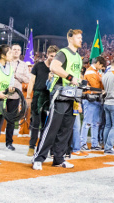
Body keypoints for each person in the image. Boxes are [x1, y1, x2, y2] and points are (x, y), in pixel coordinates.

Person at [32, 29, 83, 170]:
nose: (81, 40)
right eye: (78, 37)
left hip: (72, 97)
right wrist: (70, 78)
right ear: (70, 38)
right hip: (60, 94)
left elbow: (78, 77)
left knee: (66, 129)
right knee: (52, 128)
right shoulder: (63, 53)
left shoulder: (78, 57)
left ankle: (59, 159)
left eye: (81, 37)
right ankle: (38, 158)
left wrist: (78, 99)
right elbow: (54, 67)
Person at [26, 45, 58, 156]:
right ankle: (31, 146)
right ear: (47, 55)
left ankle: (43, 147)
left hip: (49, 97)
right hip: (38, 96)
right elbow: (31, 81)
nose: (53, 58)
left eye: (55, 56)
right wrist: (28, 96)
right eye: (51, 56)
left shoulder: (57, 69)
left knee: (47, 125)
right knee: (35, 122)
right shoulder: (38, 66)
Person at [3, 44, 30, 151]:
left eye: (18, 50)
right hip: (2, 92)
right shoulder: (5, 62)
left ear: (20, 52)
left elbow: (27, 79)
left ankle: (9, 142)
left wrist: (16, 75)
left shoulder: (23, 65)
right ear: (10, 50)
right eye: (14, 49)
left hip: (15, 95)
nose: (16, 51)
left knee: (11, 119)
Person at [80, 56, 106, 151]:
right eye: (101, 65)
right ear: (98, 63)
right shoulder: (91, 72)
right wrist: (102, 82)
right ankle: (83, 143)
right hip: (90, 99)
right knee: (87, 122)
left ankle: (94, 144)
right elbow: (95, 86)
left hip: (96, 100)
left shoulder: (96, 72)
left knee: (96, 123)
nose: (102, 68)